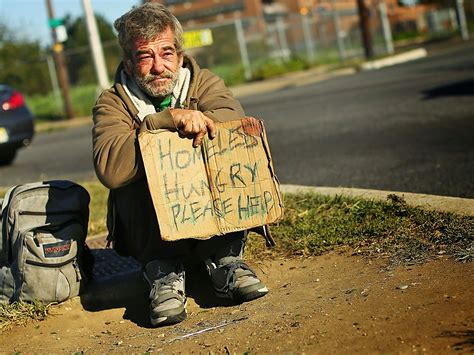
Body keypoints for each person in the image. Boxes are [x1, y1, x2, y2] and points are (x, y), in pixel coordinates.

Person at [92, 3, 268, 327]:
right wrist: (163, 122)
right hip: (152, 236)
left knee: (226, 147)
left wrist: (199, 122)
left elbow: (232, 125)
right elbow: (110, 168)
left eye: (167, 53)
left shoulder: (204, 82)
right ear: (129, 65)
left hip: (213, 227)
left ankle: (225, 259)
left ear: (181, 55)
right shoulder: (111, 102)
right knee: (137, 169)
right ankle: (163, 273)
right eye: (145, 56)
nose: (159, 67)